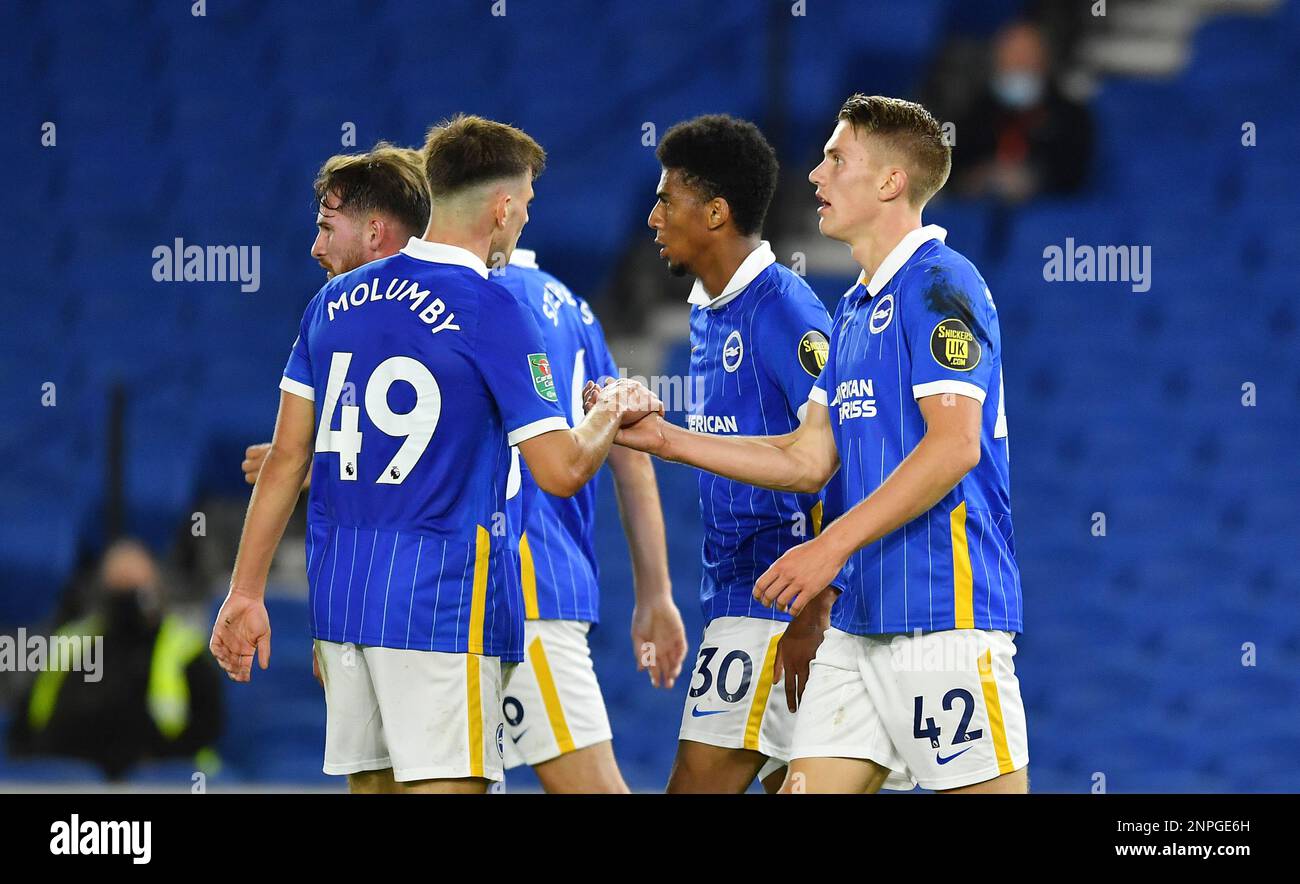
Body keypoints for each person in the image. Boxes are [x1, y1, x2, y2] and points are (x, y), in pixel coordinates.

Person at [210, 115, 662, 794]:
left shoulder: (332, 303)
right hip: (442, 606)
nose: (525, 223)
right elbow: (562, 471)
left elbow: (284, 459)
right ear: (503, 208)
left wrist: (245, 591)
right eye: (527, 207)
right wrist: (609, 411)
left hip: (344, 608)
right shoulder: (495, 307)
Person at [597, 95, 1029, 794]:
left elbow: (955, 448)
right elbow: (806, 459)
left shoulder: (943, 285)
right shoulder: (855, 310)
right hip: (858, 629)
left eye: (836, 158)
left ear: (890, 182)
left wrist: (828, 550)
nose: (815, 176)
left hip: (944, 619)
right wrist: (665, 440)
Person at [642, 114, 846, 793]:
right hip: (739, 598)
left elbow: (841, 454)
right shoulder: (712, 311)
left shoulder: (784, 311)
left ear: (716, 212)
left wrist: (815, 610)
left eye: (667, 199)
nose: (652, 216)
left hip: (772, 604)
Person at [494, 249, 687, 792]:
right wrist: (655, 594)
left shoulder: (477, 300)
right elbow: (628, 448)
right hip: (524, 584)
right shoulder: (572, 307)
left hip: (520, 584)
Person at [9, 539, 222, 779]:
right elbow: (27, 721)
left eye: (137, 590)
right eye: (118, 589)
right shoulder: (71, 642)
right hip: (69, 776)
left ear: (158, 588)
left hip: (163, 776)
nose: (129, 603)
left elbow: (208, 725)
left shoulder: (184, 646)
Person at [949, 20, 1093, 201]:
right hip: (978, 211)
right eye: (1012, 56)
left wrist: (1035, 179)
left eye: (1027, 57)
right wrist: (979, 176)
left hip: (1046, 215)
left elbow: (1077, 171)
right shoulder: (973, 112)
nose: (1019, 64)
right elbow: (952, 168)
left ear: (1044, 61)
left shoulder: (1070, 116)